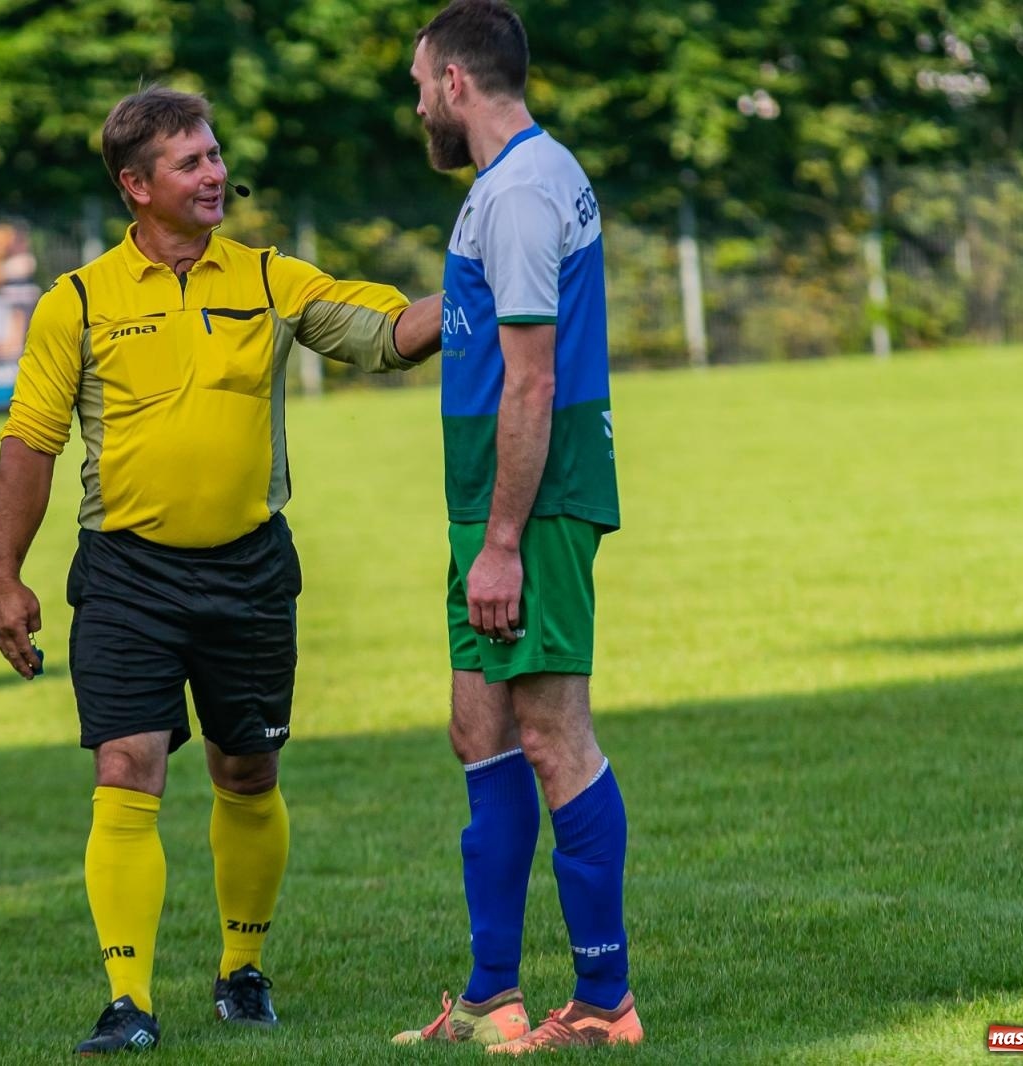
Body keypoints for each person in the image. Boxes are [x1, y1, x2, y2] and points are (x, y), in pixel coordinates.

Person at [0, 87, 441, 1055]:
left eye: (215, 155)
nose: (214, 174)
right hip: (126, 577)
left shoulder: (270, 277)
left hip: (249, 572)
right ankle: (128, 1002)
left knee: (247, 769)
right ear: (134, 184)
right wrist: (4, 576)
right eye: (190, 162)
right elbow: (29, 442)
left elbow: (387, 332)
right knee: (126, 765)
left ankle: (242, 972)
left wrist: (484, 288)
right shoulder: (78, 302)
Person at [391, 1, 640, 1053]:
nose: (417, 105)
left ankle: (604, 1004)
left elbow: (532, 382)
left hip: (529, 509)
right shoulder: (504, 187)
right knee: (479, 732)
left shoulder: (524, 191)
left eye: (419, 85)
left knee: (550, 734)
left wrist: (501, 544)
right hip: (486, 508)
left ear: (455, 82)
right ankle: (492, 996)